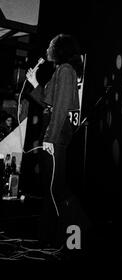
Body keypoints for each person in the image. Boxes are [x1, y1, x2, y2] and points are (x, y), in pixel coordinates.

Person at [26, 34, 89, 248]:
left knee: (55, 188)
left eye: (51, 45)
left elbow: (60, 108)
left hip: (56, 134)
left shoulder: (66, 70)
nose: (47, 49)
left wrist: (50, 138)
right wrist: (35, 82)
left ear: (60, 49)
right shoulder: (61, 71)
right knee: (54, 187)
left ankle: (72, 234)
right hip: (54, 132)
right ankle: (55, 236)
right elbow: (48, 102)